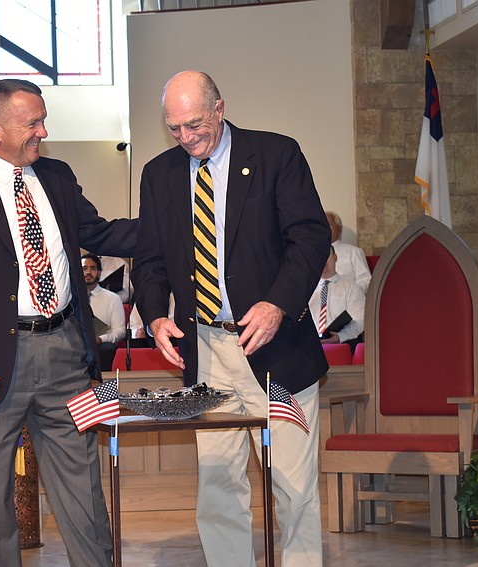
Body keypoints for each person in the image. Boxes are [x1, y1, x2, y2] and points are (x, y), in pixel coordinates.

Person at [0, 79, 136, 567]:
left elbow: (99, 231)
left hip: (67, 354)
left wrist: (171, 226)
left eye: (43, 119)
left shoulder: (56, 175)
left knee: (84, 489)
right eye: (32, 123)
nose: (43, 130)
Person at [132, 70, 331, 567]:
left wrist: (277, 303)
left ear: (219, 108)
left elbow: (309, 238)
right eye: (174, 127)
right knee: (218, 483)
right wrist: (156, 317)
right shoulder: (159, 174)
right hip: (207, 351)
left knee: (293, 483)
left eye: (194, 124)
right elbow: (150, 258)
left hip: (274, 347)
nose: (185, 137)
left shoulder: (275, 155)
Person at [310, 246, 365, 347]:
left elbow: (360, 321)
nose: (323, 259)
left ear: (335, 257)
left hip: (343, 343)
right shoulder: (307, 289)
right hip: (310, 345)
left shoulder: (352, 288)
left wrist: (340, 336)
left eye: (327, 254)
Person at [82, 252, 126, 371]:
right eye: (84, 268)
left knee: (108, 348)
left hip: (100, 345)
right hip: (78, 344)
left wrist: (101, 339)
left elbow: (120, 331)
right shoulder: (71, 298)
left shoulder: (112, 298)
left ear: (99, 272)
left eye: (93, 268)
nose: (88, 272)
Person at [326, 211, 371, 293]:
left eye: (328, 224)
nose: (324, 227)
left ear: (339, 228)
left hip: (348, 301)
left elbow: (366, 282)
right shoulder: (312, 254)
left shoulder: (353, 252)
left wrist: (349, 292)